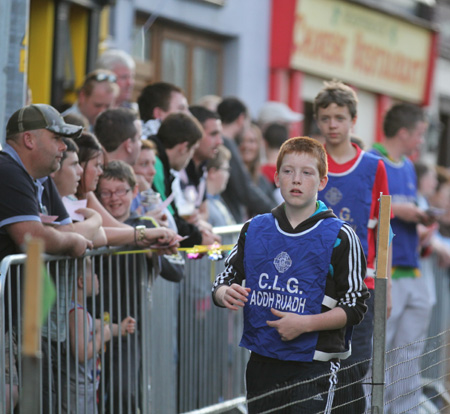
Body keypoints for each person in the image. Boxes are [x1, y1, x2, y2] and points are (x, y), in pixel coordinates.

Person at [212, 136, 368, 413]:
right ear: (276, 177)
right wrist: (225, 293)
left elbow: (354, 306)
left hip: (315, 366)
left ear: (321, 181)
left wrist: (305, 324)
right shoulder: (254, 228)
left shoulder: (341, 236)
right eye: (288, 171)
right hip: (262, 361)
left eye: (307, 173)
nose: (296, 179)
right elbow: (223, 281)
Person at [0, 104, 93, 413]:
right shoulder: (7, 170)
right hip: (10, 317)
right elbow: (33, 237)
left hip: (21, 320)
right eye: (56, 138)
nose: (63, 147)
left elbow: (71, 232)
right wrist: (71, 241)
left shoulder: (39, 178)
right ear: (29, 139)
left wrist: (72, 238)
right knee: (9, 395)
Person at [313, 79, 390, 413]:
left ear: (353, 120)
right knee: (313, 373)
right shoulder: (309, 159)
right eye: (326, 117)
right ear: (317, 120)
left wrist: (387, 288)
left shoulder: (374, 167)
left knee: (352, 370)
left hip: (362, 285)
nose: (333, 124)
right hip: (313, 284)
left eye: (340, 117)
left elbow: (383, 231)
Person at [95, 160, 184, 413]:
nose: (114, 199)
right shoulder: (94, 226)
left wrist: (150, 253)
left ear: (134, 191)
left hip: (130, 326)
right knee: (93, 394)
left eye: (121, 191)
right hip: (90, 323)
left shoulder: (147, 227)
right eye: (106, 192)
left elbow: (178, 270)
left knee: (124, 390)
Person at [370, 103, 434, 413]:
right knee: (377, 351)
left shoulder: (408, 165)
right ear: (404, 132)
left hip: (413, 269)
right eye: (420, 134)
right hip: (387, 273)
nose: (422, 141)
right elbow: (370, 212)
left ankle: (405, 408)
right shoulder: (372, 160)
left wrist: (421, 226)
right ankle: (370, 408)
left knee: (410, 351)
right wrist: (399, 211)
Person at [62, 257, 136, 414]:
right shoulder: (77, 313)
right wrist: (101, 337)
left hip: (86, 387)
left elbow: (100, 325)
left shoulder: (81, 312)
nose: (97, 277)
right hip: (78, 390)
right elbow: (81, 353)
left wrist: (120, 328)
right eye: (94, 274)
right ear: (81, 282)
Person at [147, 112, 214, 247]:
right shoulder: (156, 165)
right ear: (184, 147)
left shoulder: (159, 162)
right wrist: (199, 238)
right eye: (193, 150)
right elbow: (169, 219)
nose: (190, 158)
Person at [217, 97, 276, 223]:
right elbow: (245, 189)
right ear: (241, 119)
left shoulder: (222, 143)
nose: (246, 146)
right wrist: (280, 214)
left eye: (252, 141)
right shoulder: (226, 144)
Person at [237, 122, 277, 218]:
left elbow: (274, 208)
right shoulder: (231, 177)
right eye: (242, 141)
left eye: (251, 141)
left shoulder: (262, 180)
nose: (246, 146)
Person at [205, 145, 236, 227]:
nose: (228, 175)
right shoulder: (204, 207)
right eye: (226, 170)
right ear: (212, 172)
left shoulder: (218, 200)